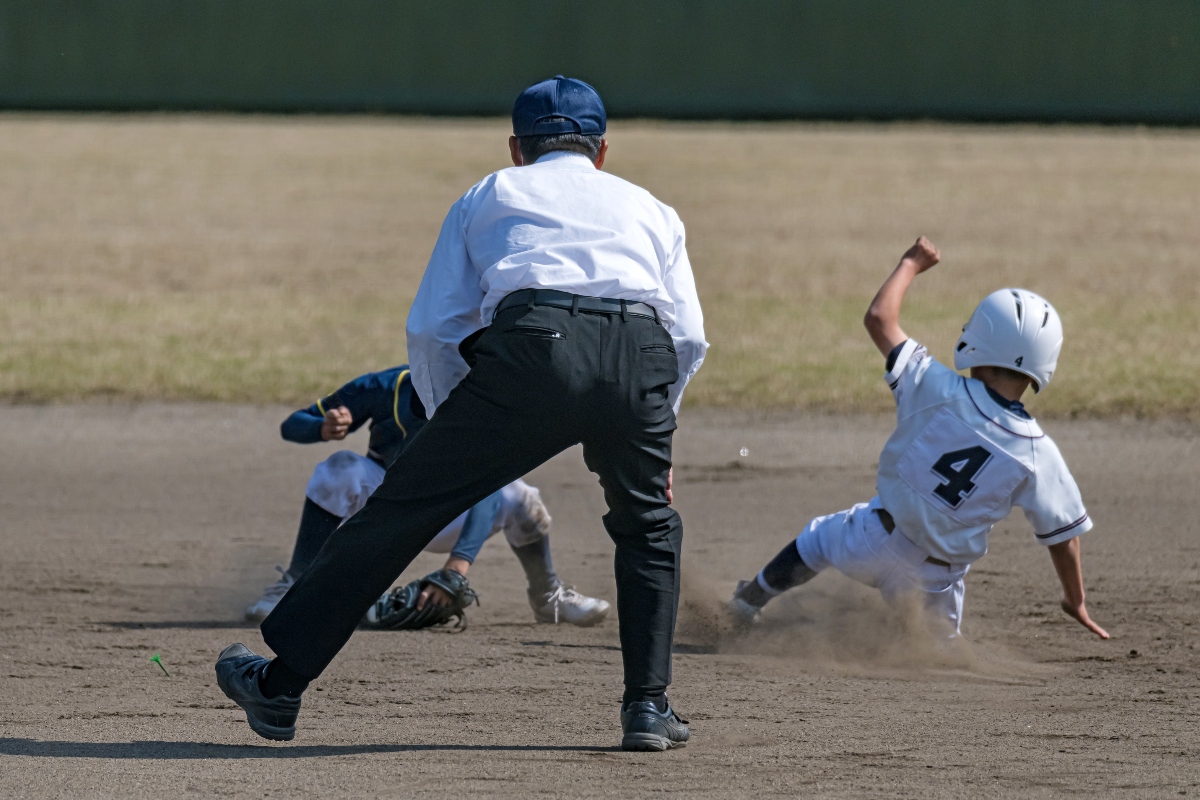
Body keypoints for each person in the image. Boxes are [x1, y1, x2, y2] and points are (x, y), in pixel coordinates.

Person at [216, 76, 707, 751]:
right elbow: (687, 336)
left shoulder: (492, 193)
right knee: (649, 525)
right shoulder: (651, 206)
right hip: (641, 352)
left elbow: (436, 329)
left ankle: (278, 689)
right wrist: (658, 431)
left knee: (396, 513)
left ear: (516, 148)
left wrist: (451, 430)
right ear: (601, 151)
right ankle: (648, 708)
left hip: (537, 347)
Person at [728, 237, 1108, 643]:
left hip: (871, 540)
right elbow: (1064, 536)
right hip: (934, 579)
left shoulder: (935, 385)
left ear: (979, 339)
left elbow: (879, 318)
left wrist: (911, 263)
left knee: (818, 540)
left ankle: (745, 604)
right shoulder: (1038, 451)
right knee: (939, 659)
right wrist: (1075, 598)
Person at [243, 364, 610, 628]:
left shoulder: (485, 396)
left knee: (521, 495)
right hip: (384, 508)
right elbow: (292, 424)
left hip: (452, 515)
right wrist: (321, 427)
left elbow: (487, 486)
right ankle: (296, 581)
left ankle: (548, 596)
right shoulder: (385, 386)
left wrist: (457, 566)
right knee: (340, 468)